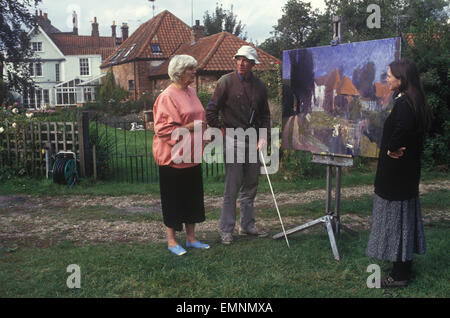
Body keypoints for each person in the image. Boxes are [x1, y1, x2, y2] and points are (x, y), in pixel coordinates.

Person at [366, 59, 433, 287]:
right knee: (403, 219)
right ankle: (402, 267)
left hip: (396, 175)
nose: (387, 78)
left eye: (390, 75)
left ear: (401, 79)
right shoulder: (413, 100)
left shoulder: (405, 104)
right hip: (406, 174)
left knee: (396, 221)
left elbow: (402, 129)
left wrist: (391, 147)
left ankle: (399, 276)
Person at [206, 45, 271, 245]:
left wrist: (264, 136)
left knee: (251, 185)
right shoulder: (225, 82)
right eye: (239, 60)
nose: (242, 64)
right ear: (236, 61)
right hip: (232, 139)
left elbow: (265, 115)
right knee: (232, 187)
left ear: (253, 64)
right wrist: (222, 130)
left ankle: (247, 225)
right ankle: (226, 229)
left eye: (246, 61)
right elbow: (211, 111)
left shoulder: (260, 86)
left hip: (253, 139)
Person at [153, 55, 210, 256]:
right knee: (173, 200)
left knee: (192, 199)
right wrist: (189, 127)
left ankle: (192, 238)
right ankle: (171, 241)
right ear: (178, 72)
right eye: (190, 69)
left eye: (194, 69)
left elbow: (200, 118)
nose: (194, 72)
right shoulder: (167, 96)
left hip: (191, 156)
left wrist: (204, 134)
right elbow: (162, 129)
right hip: (173, 159)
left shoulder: (191, 91)